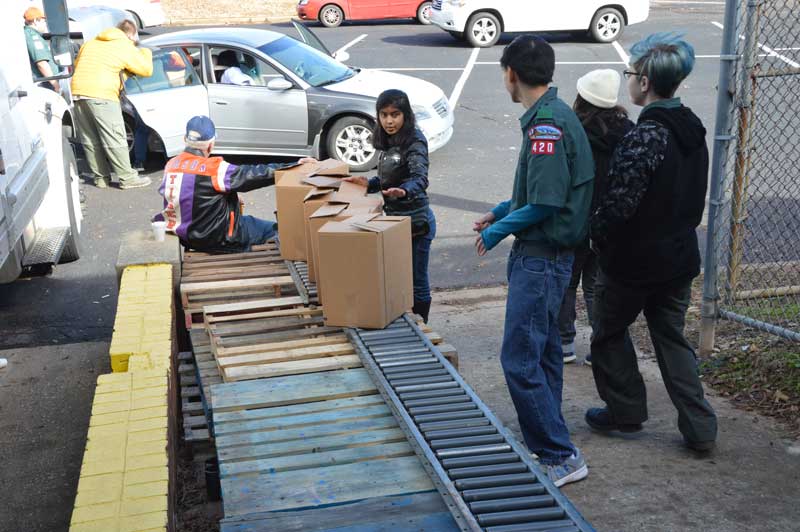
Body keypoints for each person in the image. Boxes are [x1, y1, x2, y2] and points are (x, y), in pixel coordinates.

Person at [586, 33, 718, 453]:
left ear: (644, 82)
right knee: (672, 338)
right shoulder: (692, 129)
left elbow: (619, 204)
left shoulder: (645, 136)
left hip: (635, 264)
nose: (627, 81)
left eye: (630, 74)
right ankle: (700, 428)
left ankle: (624, 411)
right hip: (679, 257)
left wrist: (596, 237)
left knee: (608, 332)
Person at [472, 36, 594, 486]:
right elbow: (533, 192)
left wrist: (497, 231)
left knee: (518, 359)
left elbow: (545, 202)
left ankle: (559, 454)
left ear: (512, 74)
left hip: (541, 259)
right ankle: (552, 440)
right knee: (543, 356)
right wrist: (501, 211)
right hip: (547, 258)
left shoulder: (547, 126)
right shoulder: (551, 117)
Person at [558, 70, 634, 365]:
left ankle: (564, 342)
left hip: (576, 219)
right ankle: (599, 344)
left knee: (567, 282)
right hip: (608, 223)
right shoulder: (627, 131)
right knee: (595, 285)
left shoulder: (574, 131)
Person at [155, 116, 316, 253]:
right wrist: (293, 166)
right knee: (274, 229)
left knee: (247, 218)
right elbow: (253, 175)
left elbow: (189, 196)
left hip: (187, 237)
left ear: (185, 139)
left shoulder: (171, 165)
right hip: (220, 238)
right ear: (211, 145)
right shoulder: (214, 168)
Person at [344, 89, 436, 322]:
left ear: (405, 115)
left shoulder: (414, 140)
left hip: (417, 223)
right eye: (384, 115)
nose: (389, 121)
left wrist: (404, 191)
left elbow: (420, 178)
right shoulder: (387, 141)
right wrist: (369, 183)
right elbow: (389, 179)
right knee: (398, 277)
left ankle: (423, 327)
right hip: (395, 221)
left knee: (417, 282)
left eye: (395, 114)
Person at [71, 20, 153, 189]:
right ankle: (127, 178)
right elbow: (146, 70)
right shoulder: (124, 45)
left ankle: (101, 178)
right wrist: (145, 51)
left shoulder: (90, 43)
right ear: (130, 35)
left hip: (78, 92)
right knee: (114, 136)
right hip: (102, 94)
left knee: (90, 138)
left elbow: (77, 64)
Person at [23, 7, 59, 91]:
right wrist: (55, 84)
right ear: (35, 21)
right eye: (43, 21)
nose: (45, 24)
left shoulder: (32, 35)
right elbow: (41, 63)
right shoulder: (33, 37)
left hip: (44, 83)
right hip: (44, 85)